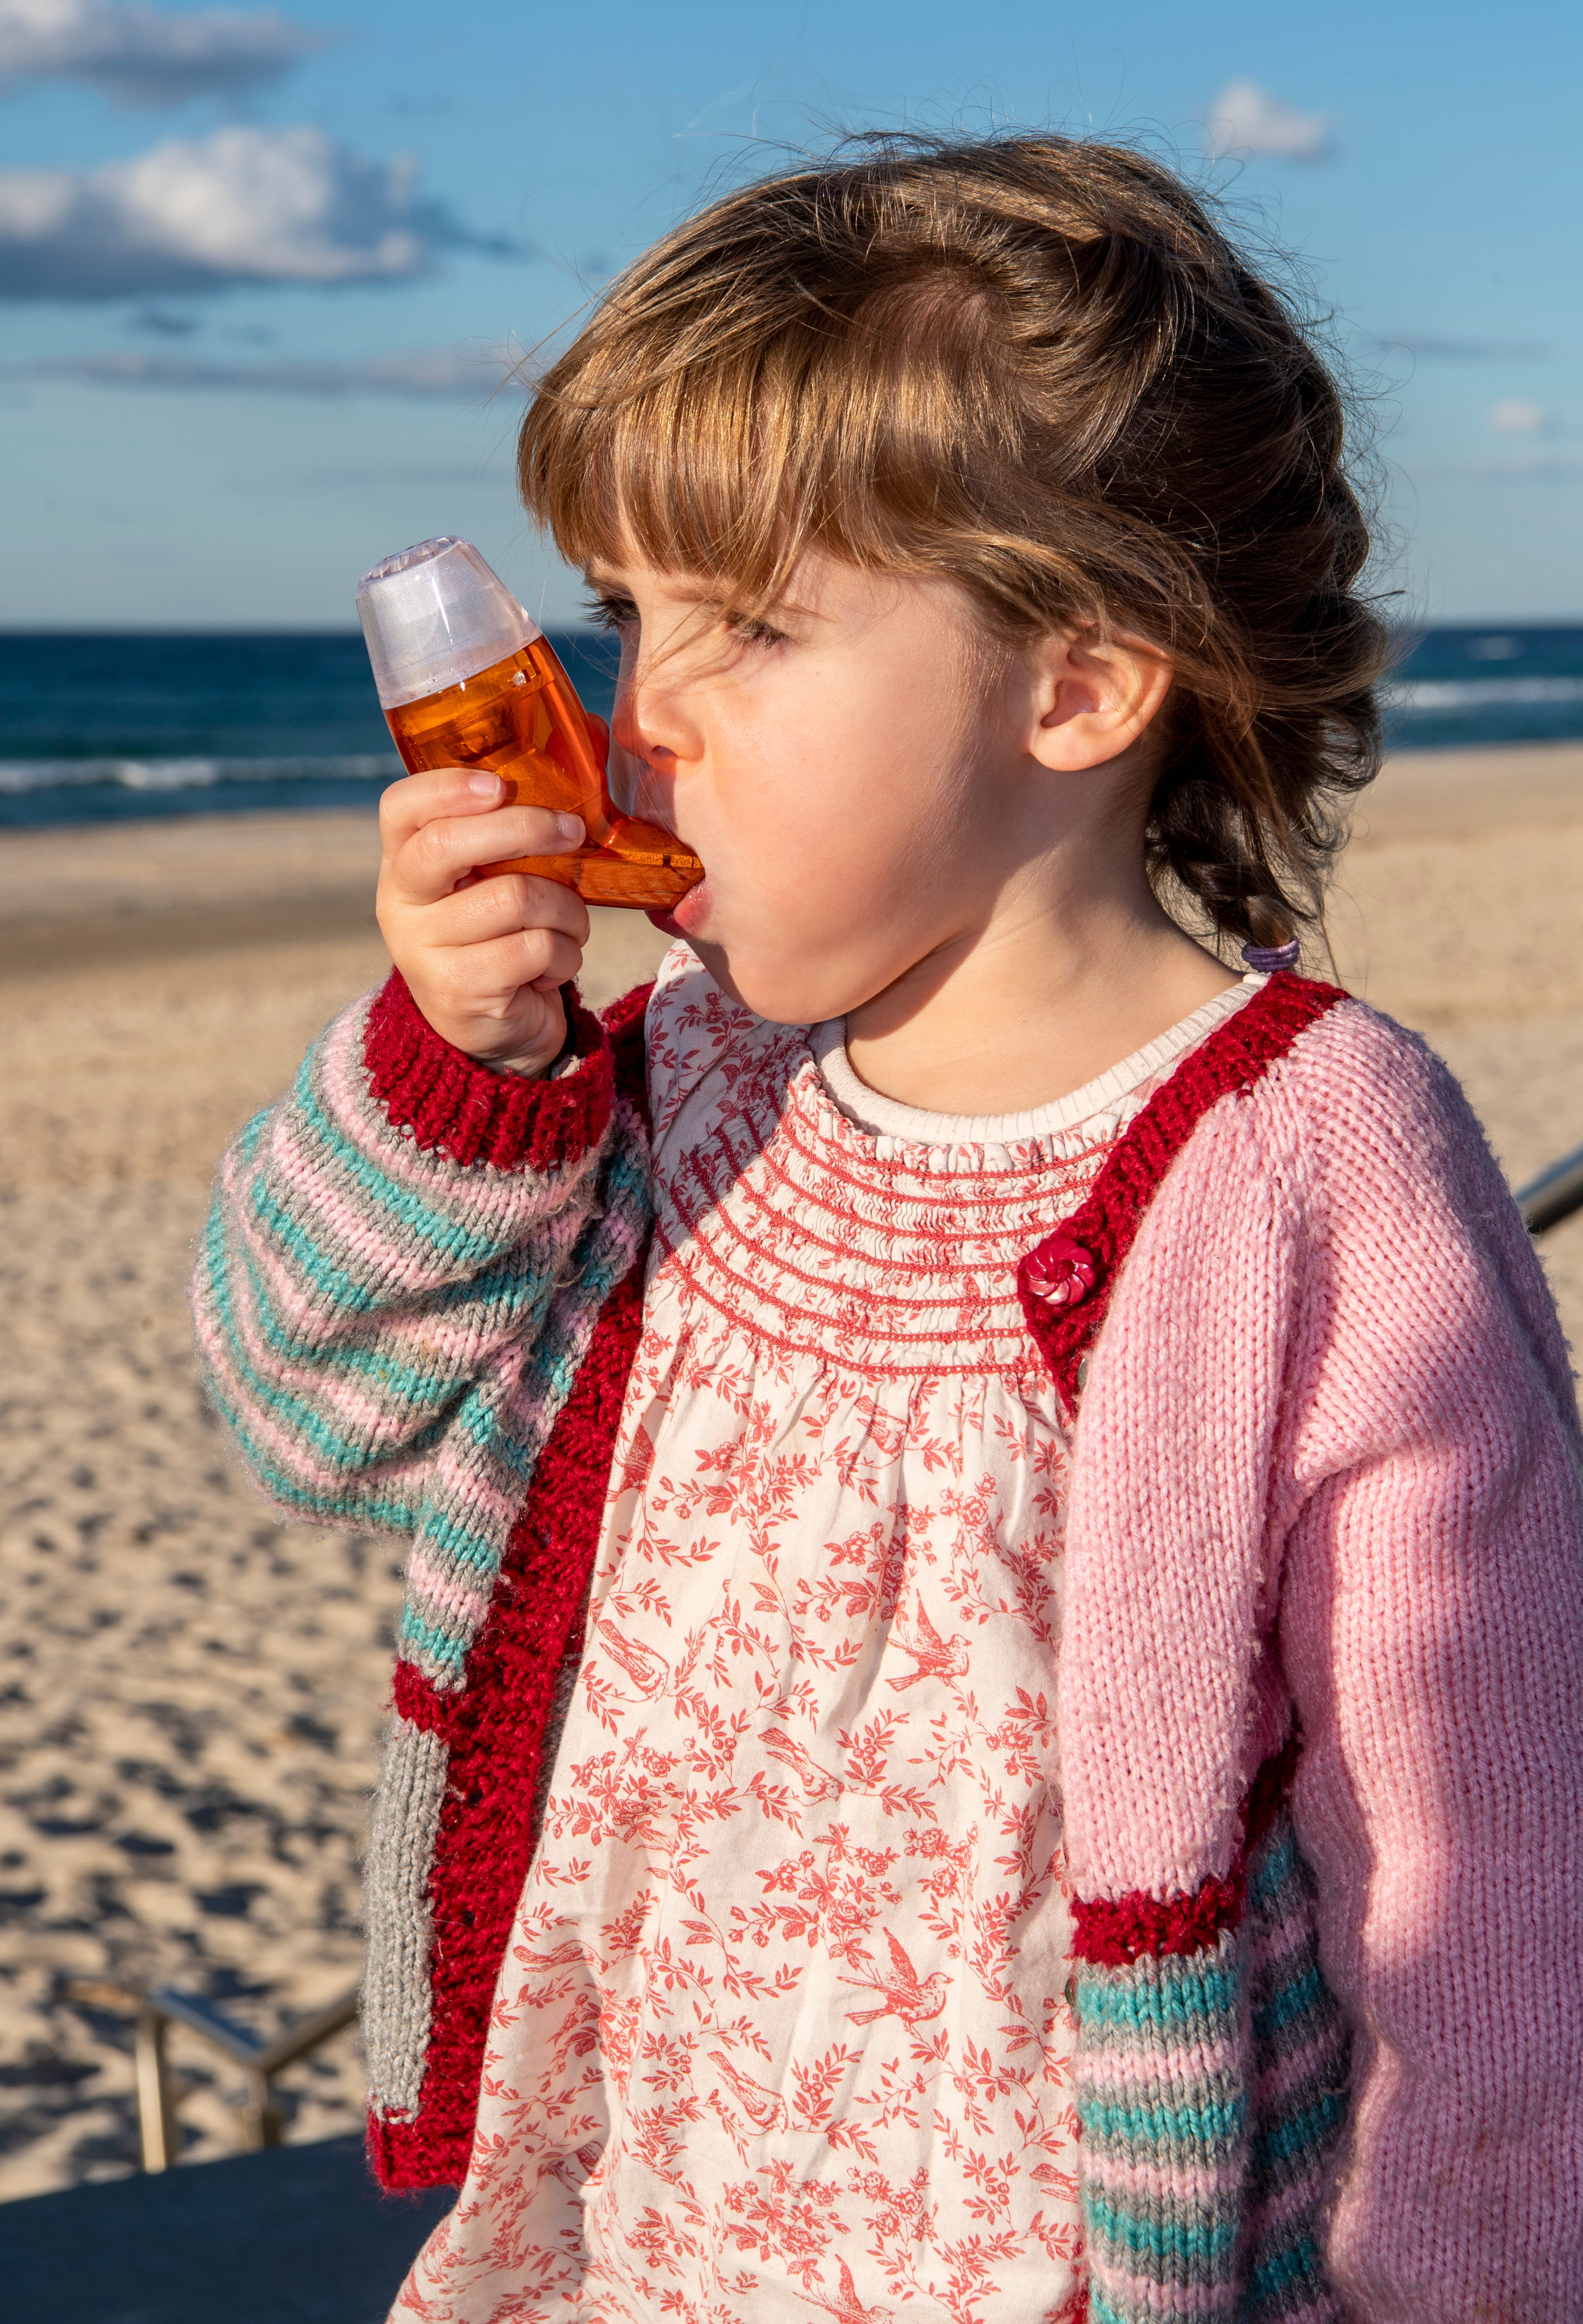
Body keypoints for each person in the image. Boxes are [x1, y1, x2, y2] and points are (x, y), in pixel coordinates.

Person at [193, 135, 1583, 2322]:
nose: (637, 715)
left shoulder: (1311, 1165)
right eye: (628, 614)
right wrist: (469, 1073)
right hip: (643, 2242)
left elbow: (1485, 1889)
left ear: (1079, 687)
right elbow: (305, 1401)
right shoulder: (672, 1084)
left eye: (746, 627)